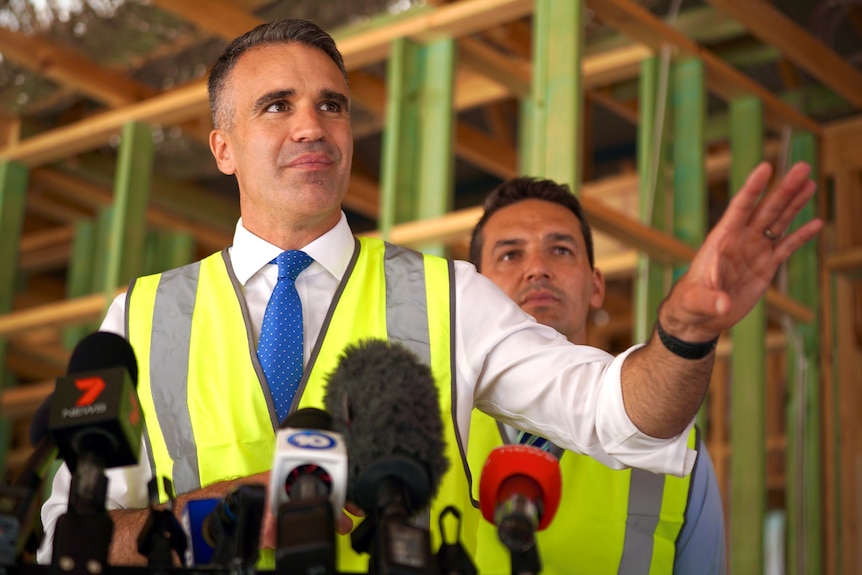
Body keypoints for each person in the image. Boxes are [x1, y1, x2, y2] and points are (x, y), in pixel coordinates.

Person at [37, 18, 820, 569]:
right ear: (222, 145)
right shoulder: (137, 318)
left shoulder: (450, 296)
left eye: (331, 106)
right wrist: (196, 522)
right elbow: (61, 540)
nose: (312, 126)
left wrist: (683, 333)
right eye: (278, 106)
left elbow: (614, 414)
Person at [467, 177, 726, 574]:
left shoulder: (676, 446)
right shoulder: (430, 423)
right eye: (510, 255)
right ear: (475, 290)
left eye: (560, 250)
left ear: (596, 286)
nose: (537, 268)